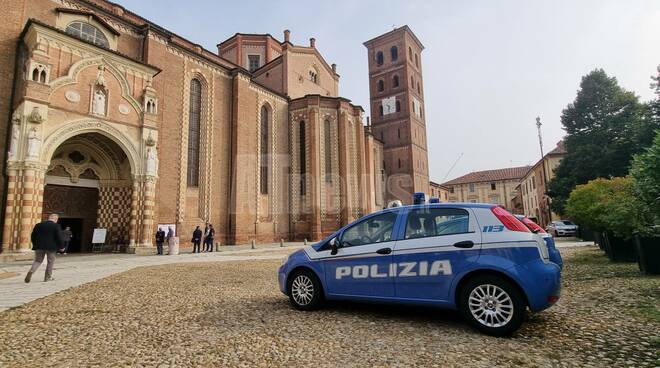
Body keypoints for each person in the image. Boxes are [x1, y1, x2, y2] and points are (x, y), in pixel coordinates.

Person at [25, 213, 64, 283]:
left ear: (49, 218)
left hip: (39, 246)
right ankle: (47, 277)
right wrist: (62, 247)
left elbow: (33, 236)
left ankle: (31, 271)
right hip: (51, 247)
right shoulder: (56, 226)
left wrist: (35, 244)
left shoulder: (38, 225)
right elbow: (59, 237)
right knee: (50, 261)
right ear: (56, 219)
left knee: (38, 261)